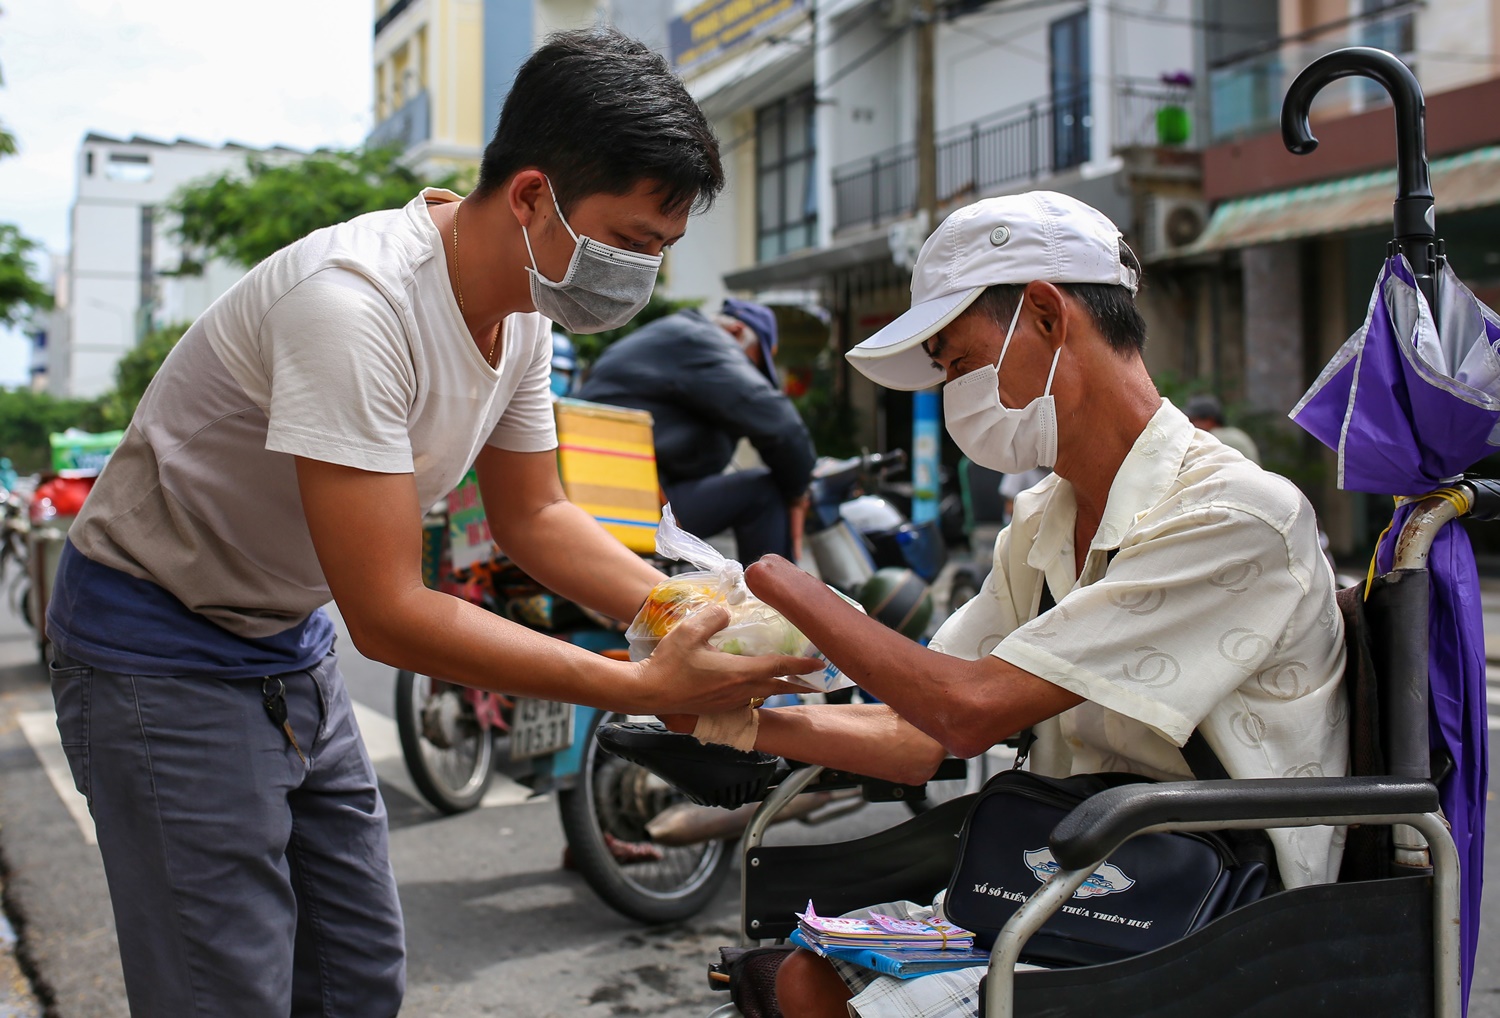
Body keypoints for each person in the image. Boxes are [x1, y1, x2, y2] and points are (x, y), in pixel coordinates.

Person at [44, 30, 815, 1018]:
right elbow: (391, 612)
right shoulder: (355, 306)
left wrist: (696, 615)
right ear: (534, 196)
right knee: (223, 991)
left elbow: (536, 515)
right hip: (160, 647)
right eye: (630, 241)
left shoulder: (527, 310)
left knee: (355, 973)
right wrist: (636, 679)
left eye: (660, 251)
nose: (643, 275)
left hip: (286, 638)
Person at [659, 191, 1348, 1018]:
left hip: (1215, 908)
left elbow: (967, 711)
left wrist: (783, 586)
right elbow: (919, 730)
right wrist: (720, 725)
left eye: (958, 364)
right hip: (1072, 880)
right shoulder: (1040, 523)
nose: (955, 397)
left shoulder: (1233, 515)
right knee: (807, 977)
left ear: (1049, 318)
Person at [578, 298, 815, 562]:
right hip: (626, 507)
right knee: (764, 491)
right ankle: (774, 601)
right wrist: (798, 493)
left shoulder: (672, 337)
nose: (751, 374)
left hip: (603, 495)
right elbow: (780, 425)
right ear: (736, 331)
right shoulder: (703, 340)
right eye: (753, 364)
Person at [1184, 391, 1262, 464]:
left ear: (1209, 420)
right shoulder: (1232, 433)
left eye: (1193, 420)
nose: (1190, 424)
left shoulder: (1218, 437)